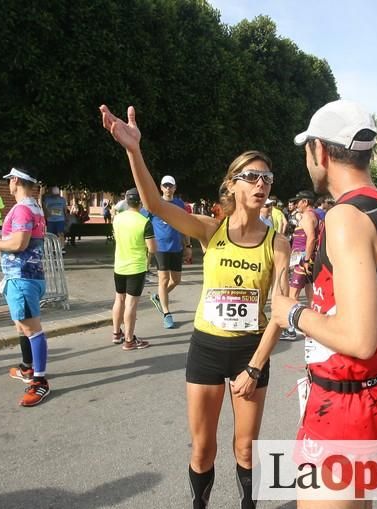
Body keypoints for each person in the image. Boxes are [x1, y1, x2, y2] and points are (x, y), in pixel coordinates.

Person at [100, 104, 290, 509]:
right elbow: (153, 203)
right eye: (252, 177)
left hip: (250, 352)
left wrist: (255, 366)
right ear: (233, 185)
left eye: (267, 178)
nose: (261, 184)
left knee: (244, 450)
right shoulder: (209, 228)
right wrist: (134, 150)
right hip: (206, 348)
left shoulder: (278, 243)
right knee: (203, 450)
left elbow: (282, 309)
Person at [272, 100, 377, 509]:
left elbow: (359, 340)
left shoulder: (346, 217)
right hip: (376, 394)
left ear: (321, 151)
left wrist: (291, 313)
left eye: (307, 150)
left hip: (344, 405)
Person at [0, 167, 50, 406]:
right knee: (21, 325)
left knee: (32, 329)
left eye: (9, 180)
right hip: (27, 276)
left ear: (16, 181)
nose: (7, 184)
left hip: (22, 277)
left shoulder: (21, 209)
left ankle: (39, 382)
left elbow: (20, 243)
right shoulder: (35, 207)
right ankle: (27, 368)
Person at [111, 188, 156, 348]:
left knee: (119, 298)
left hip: (119, 265)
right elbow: (152, 248)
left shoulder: (117, 219)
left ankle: (117, 333)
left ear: (127, 201)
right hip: (136, 266)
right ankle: (129, 340)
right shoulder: (144, 222)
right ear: (141, 202)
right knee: (131, 303)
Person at [147, 175, 192, 329]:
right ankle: (166, 313)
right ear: (161, 187)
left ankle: (159, 296)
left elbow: (185, 225)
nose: (168, 188)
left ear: (174, 188)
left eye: (170, 186)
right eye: (165, 186)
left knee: (176, 280)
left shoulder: (179, 204)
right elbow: (142, 221)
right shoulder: (154, 204)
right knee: (164, 279)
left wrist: (188, 246)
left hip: (176, 247)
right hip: (160, 248)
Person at [280, 190, 319, 341]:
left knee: (292, 296)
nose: (296, 204)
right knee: (311, 296)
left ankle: (290, 330)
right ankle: (315, 328)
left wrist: (307, 260)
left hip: (302, 262)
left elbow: (312, 238)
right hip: (304, 260)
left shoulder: (308, 216)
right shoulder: (311, 215)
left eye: (298, 201)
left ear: (305, 202)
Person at [43, 186, 68, 253]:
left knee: (61, 233)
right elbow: (45, 209)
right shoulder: (47, 200)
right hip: (51, 220)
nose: (56, 196)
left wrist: (66, 217)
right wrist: (46, 216)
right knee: (50, 234)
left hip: (60, 219)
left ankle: (62, 247)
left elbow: (65, 209)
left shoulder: (62, 199)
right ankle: (50, 248)